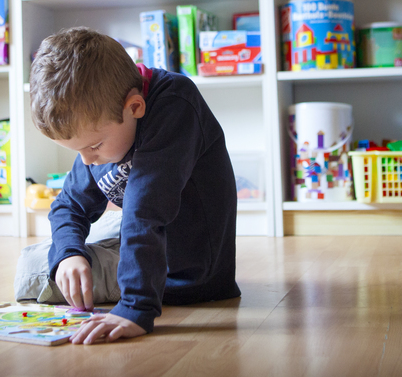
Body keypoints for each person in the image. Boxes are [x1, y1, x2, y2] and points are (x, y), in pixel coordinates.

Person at [16, 27, 241, 345]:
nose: (88, 160)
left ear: (135, 107)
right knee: (54, 258)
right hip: (139, 246)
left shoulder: (175, 105)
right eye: (78, 151)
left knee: (31, 272)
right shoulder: (104, 123)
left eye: (93, 146)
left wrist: (135, 308)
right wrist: (69, 254)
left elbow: (144, 213)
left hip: (185, 276)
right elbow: (68, 204)